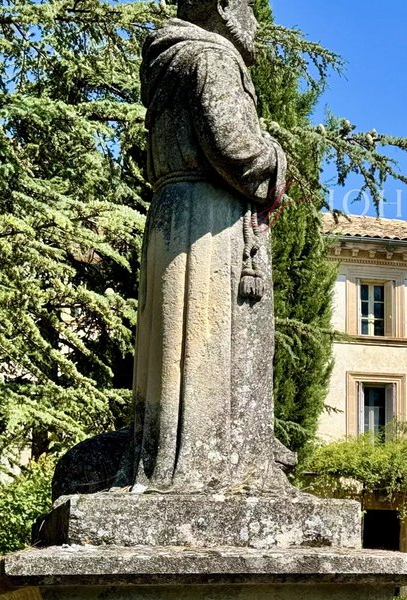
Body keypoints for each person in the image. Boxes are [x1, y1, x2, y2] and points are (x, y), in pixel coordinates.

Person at [118, 0, 293, 494]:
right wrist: (278, 161)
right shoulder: (212, 56)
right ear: (221, 6)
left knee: (175, 344)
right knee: (210, 344)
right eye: (248, 5)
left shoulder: (169, 57)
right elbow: (234, 146)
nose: (255, 20)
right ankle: (209, 465)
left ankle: (166, 457)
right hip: (210, 221)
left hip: (173, 211)